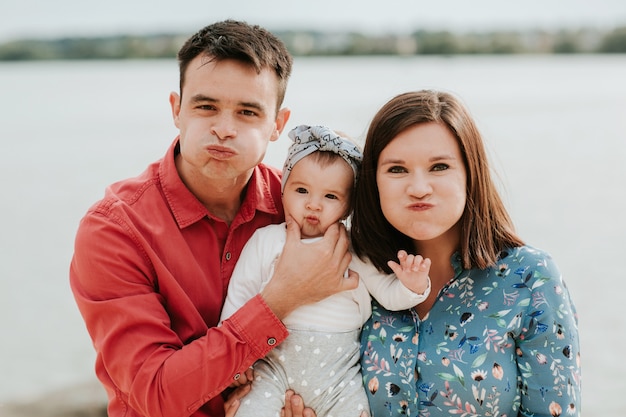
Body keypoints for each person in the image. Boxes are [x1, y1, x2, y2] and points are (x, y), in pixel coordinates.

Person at [70, 20, 359, 417]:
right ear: (176, 109)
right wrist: (281, 299)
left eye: (247, 112)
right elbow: (155, 394)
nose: (224, 129)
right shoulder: (115, 229)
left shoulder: (306, 207)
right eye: (206, 107)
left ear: (277, 125)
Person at [350, 90, 581, 416]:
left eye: (439, 166)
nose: (418, 187)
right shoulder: (352, 271)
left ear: (471, 173)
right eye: (397, 169)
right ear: (373, 181)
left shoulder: (529, 277)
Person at [219, 124, 432, 417]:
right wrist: (234, 360)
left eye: (330, 197)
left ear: (348, 207)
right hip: (272, 366)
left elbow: (388, 295)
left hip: (339, 374)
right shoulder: (266, 240)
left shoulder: (353, 248)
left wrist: (412, 285)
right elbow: (239, 297)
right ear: (283, 190)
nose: (313, 205)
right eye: (302, 190)